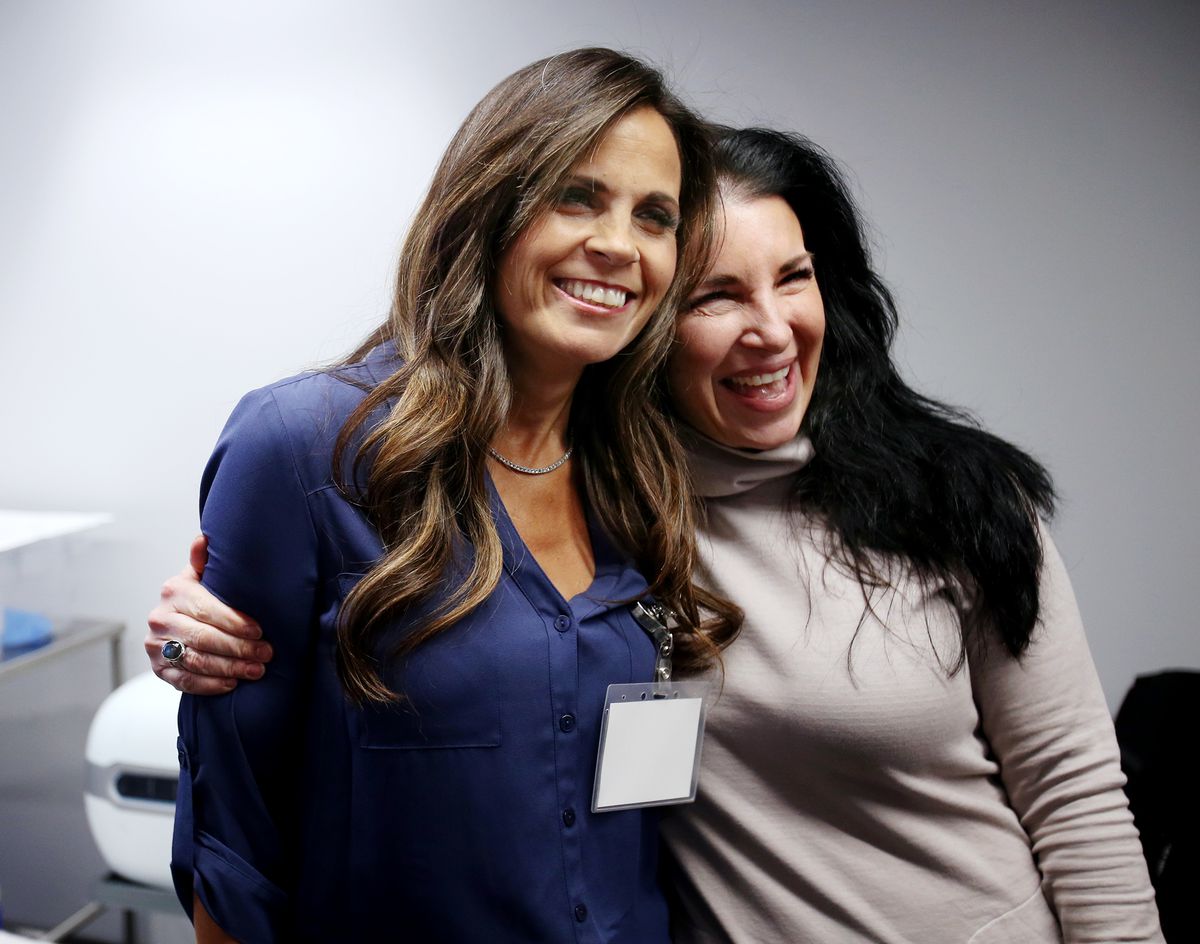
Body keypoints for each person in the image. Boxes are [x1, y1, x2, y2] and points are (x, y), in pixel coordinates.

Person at [149, 124, 1165, 942]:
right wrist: (204, 627)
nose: (768, 328)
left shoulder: (959, 497)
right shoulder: (615, 501)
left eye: (795, 277)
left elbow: (1076, 793)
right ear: (646, 316)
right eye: (718, 294)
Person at [164, 46, 742, 944]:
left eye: (655, 217)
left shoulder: (645, 474)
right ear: (491, 203)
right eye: (577, 195)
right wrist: (180, 642)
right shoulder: (307, 450)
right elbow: (233, 835)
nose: (619, 245)